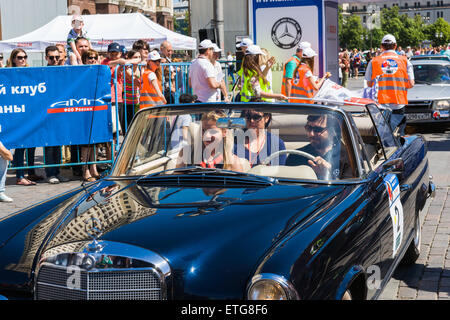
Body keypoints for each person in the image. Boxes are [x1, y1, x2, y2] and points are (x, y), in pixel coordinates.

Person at [365, 34, 415, 136]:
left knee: (381, 136)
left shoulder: (374, 61)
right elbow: (411, 84)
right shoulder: (405, 61)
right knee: (398, 136)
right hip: (398, 103)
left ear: (381, 46)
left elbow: (369, 84)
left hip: (380, 104)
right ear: (395, 46)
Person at [8, 49, 44, 185]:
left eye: (25, 57)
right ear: (13, 59)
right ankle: (20, 175)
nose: (23, 59)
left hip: (30, 113)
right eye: (19, 57)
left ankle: (31, 172)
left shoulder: (30, 72)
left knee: (31, 143)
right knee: (20, 145)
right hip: (16, 113)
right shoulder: (8, 73)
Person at [177, 110, 246, 171]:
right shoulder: (186, 153)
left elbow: (241, 185)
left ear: (224, 132)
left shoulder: (233, 162)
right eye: (203, 130)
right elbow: (175, 182)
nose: (206, 136)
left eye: (212, 131)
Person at [285, 114, 348, 180]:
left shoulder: (349, 158)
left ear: (333, 132)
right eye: (308, 128)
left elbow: (350, 188)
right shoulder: (295, 156)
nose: (311, 134)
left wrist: (328, 175)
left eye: (318, 129)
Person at [43, 46, 70, 184]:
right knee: (49, 145)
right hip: (46, 113)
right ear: (46, 58)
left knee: (58, 144)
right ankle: (50, 173)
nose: (54, 60)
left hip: (60, 112)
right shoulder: (43, 71)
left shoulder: (63, 70)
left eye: (56, 57)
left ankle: (57, 172)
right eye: (51, 57)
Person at [79, 49, 102, 182]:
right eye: (89, 58)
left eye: (94, 57)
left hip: (97, 108)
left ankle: (93, 168)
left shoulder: (99, 71)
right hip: (84, 109)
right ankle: (85, 169)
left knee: (96, 142)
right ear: (84, 60)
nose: (92, 60)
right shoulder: (82, 71)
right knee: (86, 143)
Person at [124, 49, 142, 118]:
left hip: (138, 101)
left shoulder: (140, 68)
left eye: (139, 57)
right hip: (128, 102)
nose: (138, 59)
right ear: (129, 59)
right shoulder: (127, 69)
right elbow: (138, 83)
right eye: (135, 57)